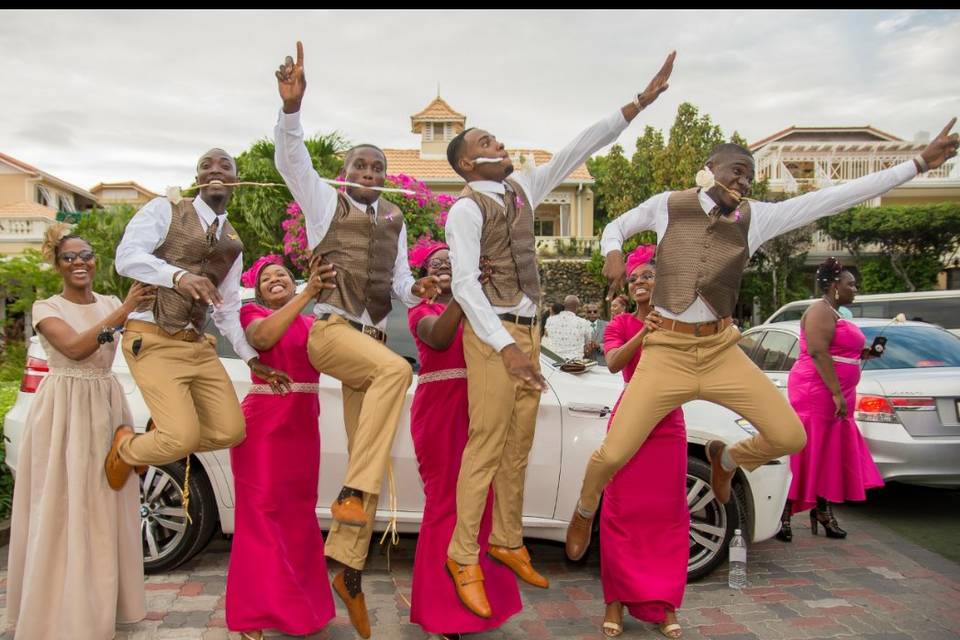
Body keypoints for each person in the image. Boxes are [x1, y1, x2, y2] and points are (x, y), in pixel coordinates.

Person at [566, 118, 959, 560]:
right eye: (736, 169)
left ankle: (728, 459)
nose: (744, 179)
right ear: (710, 167)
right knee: (614, 452)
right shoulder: (668, 205)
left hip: (718, 350)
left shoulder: (758, 217)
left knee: (790, 436)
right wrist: (613, 252)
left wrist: (918, 163)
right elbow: (615, 225)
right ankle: (583, 509)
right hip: (667, 352)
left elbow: (833, 197)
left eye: (750, 174)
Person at [443, 51, 676, 617]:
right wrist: (505, 348)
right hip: (492, 332)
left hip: (527, 329)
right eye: (484, 144)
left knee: (519, 446)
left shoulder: (521, 188)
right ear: (468, 166)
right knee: (486, 444)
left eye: (497, 138)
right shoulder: (465, 210)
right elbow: (466, 288)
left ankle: (507, 540)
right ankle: (463, 553)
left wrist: (638, 104)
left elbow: (579, 145)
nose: (497, 144)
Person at [273, 42, 440, 637]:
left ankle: (347, 564)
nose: (370, 174)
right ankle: (352, 494)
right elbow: (292, 162)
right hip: (333, 332)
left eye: (378, 169)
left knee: (366, 445)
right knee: (399, 373)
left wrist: (430, 290)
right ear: (347, 171)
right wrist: (292, 109)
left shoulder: (394, 220)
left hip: (366, 344)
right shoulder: (324, 204)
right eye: (361, 166)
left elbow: (399, 284)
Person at [107, 148, 288, 490]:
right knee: (181, 440)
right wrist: (177, 276)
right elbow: (126, 258)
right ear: (198, 179)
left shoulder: (233, 243)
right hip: (153, 336)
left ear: (236, 180)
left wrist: (252, 358)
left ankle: (161, 438)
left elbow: (228, 309)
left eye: (224, 166)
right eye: (206, 166)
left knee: (230, 431)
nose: (214, 170)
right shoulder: (166, 208)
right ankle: (128, 448)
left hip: (196, 345)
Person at [7, 225, 152, 639]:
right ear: (57, 264)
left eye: (85, 255)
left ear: (95, 260)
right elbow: (74, 347)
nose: (79, 263)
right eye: (69, 257)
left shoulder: (108, 301)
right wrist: (123, 311)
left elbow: (138, 343)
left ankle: (100, 606)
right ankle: (58, 611)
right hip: (64, 412)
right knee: (63, 506)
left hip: (106, 407)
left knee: (105, 505)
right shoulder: (45, 307)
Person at [406, 240, 522, 640]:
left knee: (479, 503)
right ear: (424, 274)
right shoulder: (423, 309)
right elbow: (438, 340)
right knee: (446, 505)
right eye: (436, 263)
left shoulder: (479, 310)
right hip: (441, 411)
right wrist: (463, 290)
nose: (443, 267)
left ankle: (478, 609)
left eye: (451, 263)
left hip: (480, 406)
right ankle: (441, 613)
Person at [225, 255, 339, 640]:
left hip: (304, 425)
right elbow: (262, 340)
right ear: (258, 291)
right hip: (265, 427)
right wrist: (308, 291)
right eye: (266, 278)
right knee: (260, 518)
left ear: (293, 283)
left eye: (283, 275)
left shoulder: (312, 323)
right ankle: (251, 615)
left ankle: (302, 611)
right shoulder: (252, 314)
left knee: (299, 517)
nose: (275, 279)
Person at [598, 245, 687, 639]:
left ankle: (664, 605)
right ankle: (615, 601)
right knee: (620, 514)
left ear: (661, 282)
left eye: (647, 276)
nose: (639, 282)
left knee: (667, 516)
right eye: (633, 278)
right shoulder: (620, 324)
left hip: (667, 425)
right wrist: (644, 334)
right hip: (630, 415)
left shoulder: (680, 324)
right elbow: (615, 363)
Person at [777, 258, 884, 542]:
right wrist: (836, 392)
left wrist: (863, 355)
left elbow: (836, 349)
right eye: (851, 283)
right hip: (816, 391)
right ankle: (784, 513)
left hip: (836, 391)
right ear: (835, 286)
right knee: (808, 449)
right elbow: (817, 351)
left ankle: (823, 510)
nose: (855, 288)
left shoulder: (836, 313)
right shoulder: (819, 311)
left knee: (829, 451)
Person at [544, 295, 593, 360]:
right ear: (577, 307)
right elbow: (588, 345)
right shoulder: (583, 323)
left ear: (564, 305)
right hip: (574, 363)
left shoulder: (550, 320)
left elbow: (546, 338)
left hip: (553, 361)